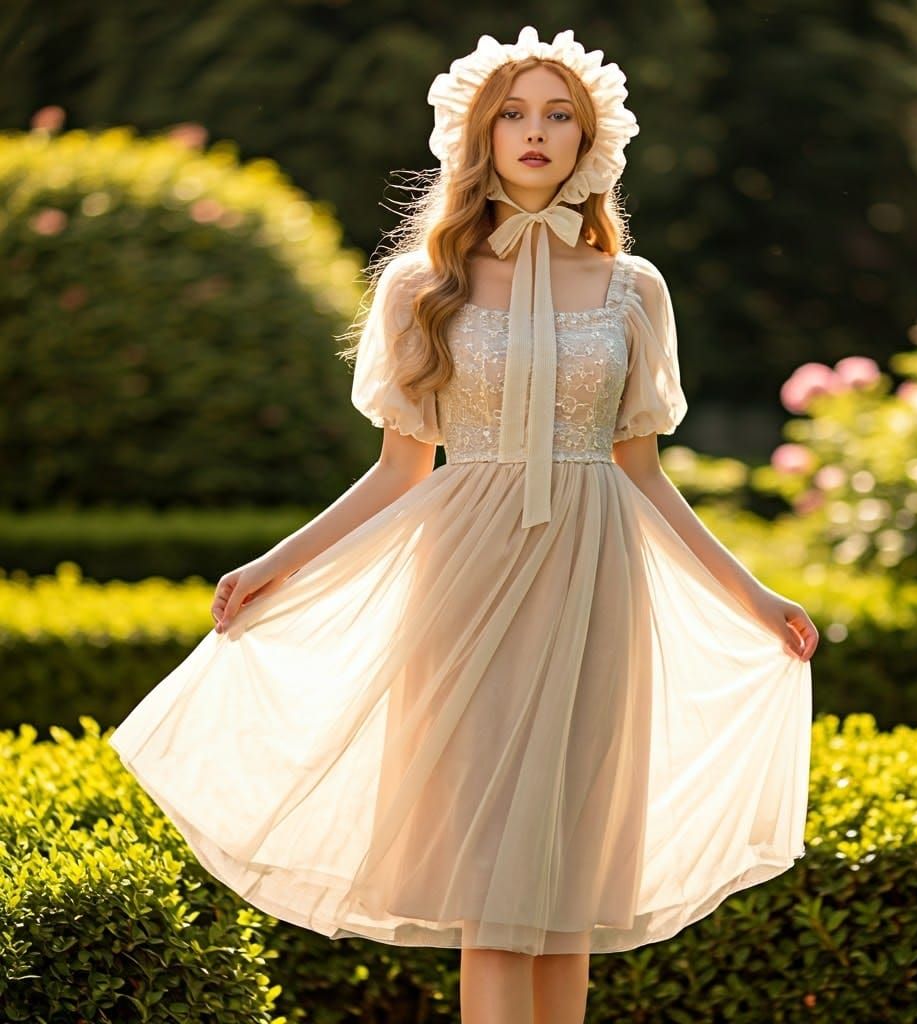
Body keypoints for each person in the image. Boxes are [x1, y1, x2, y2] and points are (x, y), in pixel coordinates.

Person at [108, 26, 818, 1024]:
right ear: (476, 138)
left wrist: (753, 596)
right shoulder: (419, 283)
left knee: (569, 886)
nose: (535, 132)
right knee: (489, 884)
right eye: (513, 115)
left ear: (591, 140)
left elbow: (644, 472)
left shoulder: (633, 288)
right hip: (465, 581)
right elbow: (400, 469)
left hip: (595, 578)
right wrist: (275, 564)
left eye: (557, 114)